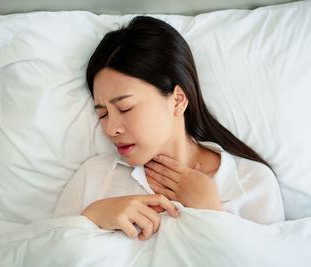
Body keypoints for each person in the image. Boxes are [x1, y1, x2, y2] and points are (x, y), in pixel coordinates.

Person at [53, 15, 284, 241]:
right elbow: (44, 255)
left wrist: (210, 212)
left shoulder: (253, 183)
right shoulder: (92, 178)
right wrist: (90, 219)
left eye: (125, 108)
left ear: (178, 100)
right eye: (102, 114)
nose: (111, 129)